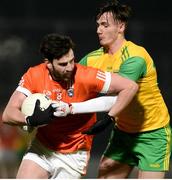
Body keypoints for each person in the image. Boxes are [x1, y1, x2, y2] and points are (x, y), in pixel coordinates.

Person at [2, 33, 138, 179]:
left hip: (74, 155)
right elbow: (8, 114)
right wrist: (30, 119)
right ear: (48, 63)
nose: (70, 67)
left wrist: (109, 117)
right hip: (42, 148)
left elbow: (130, 87)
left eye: (72, 61)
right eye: (63, 64)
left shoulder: (86, 76)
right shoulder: (34, 75)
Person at [79, 0, 171, 179]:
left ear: (121, 26)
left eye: (105, 25)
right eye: (98, 25)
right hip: (122, 133)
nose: (99, 30)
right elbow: (70, 77)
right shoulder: (93, 59)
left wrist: (107, 118)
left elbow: (123, 91)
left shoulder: (135, 56)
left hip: (153, 133)